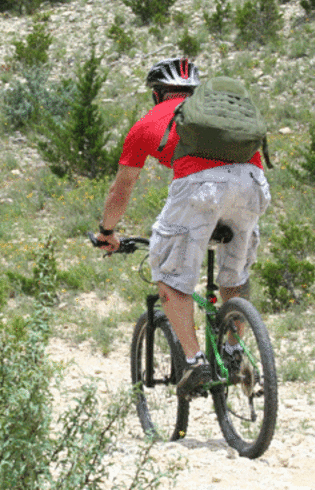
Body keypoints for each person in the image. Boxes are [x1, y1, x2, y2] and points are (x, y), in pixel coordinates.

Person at [95, 57, 271, 399]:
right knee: (234, 277)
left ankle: (195, 361)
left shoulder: (148, 123)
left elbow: (122, 189)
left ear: (159, 95)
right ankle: (235, 350)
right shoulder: (224, 118)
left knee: (171, 275)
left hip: (200, 190)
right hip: (252, 185)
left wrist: (106, 232)